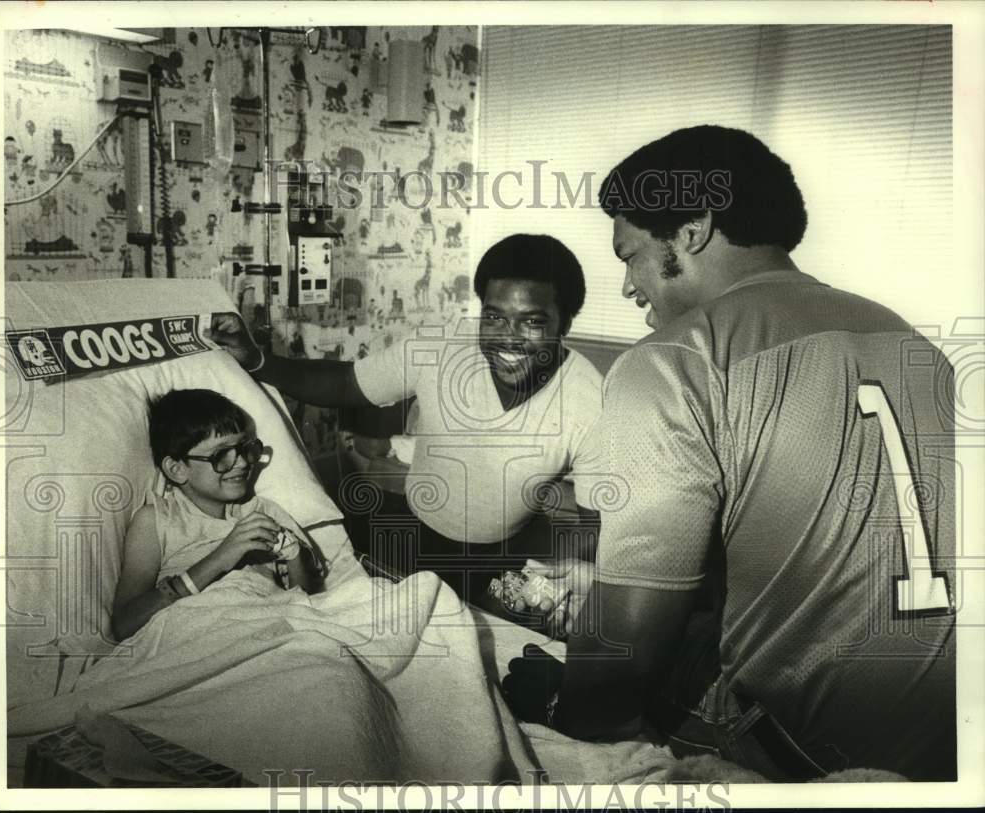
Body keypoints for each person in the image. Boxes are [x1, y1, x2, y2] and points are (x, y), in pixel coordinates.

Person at [502, 125, 956, 781]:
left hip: (812, 756)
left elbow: (623, 656)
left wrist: (558, 698)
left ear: (691, 231)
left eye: (629, 255)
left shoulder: (677, 358)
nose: (629, 287)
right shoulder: (917, 343)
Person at [212, 234, 604, 609]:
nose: (508, 339)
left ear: (564, 325)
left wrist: (562, 577)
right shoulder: (443, 342)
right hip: (411, 533)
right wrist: (260, 361)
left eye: (532, 322)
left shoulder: (589, 400)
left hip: (505, 555)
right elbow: (349, 384)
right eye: (495, 317)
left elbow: (594, 525)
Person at [112, 389, 327, 641]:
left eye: (245, 448)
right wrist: (221, 557)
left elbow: (310, 597)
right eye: (221, 455)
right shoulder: (157, 521)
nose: (243, 463)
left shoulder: (264, 512)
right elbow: (123, 626)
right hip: (197, 638)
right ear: (177, 469)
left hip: (270, 627)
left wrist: (294, 555)